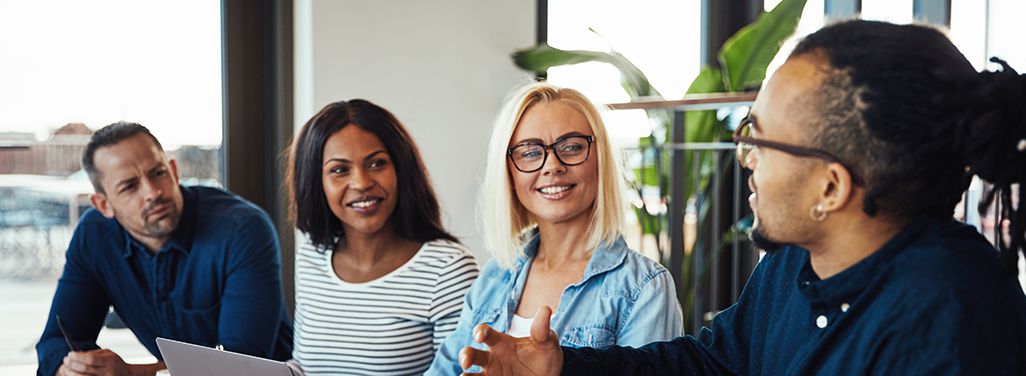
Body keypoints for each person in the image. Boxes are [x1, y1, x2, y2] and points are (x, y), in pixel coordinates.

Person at [457, 20, 1026, 375]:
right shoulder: (794, 260)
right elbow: (712, 362)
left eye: (761, 139)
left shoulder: (954, 315)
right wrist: (565, 368)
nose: (744, 156)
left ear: (831, 187)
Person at [426, 83, 683, 375]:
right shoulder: (494, 277)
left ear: (601, 161)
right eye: (530, 152)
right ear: (509, 173)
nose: (552, 165)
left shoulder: (644, 289)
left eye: (572, 147)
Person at [36, 122, 293, 376]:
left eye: (158, 173)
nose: (153, 192)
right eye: (129, 186)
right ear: (103, 205)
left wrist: (130, 374)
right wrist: (72, 370)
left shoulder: (241, 229)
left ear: (173, 171)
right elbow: (54, 344)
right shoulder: (95, 235)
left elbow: (240, 366)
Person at [287, 99, 479, 375]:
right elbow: (306, 366)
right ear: (316, 182)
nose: (362, 183)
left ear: (401, 170)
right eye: (340, 170)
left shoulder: (447, 270)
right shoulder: (311, 258)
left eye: (377, 164)